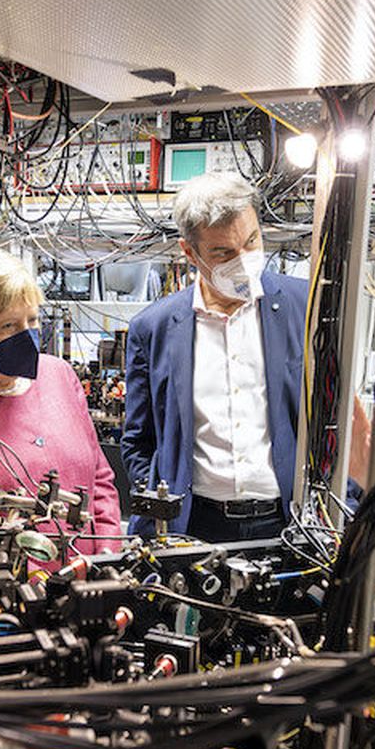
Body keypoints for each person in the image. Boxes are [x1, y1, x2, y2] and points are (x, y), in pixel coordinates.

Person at [121, 173, 307, 541]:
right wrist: (159, 504)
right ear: (189, 253)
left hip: (285, 522)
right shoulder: (152, 328)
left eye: (252, 241)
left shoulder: (305, 306)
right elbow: (137, 440)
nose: (244, 260)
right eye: (223, 253)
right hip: (193, 525)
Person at [0, 250, 122, 554]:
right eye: (9, 326)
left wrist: (108, 557)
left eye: (32, 321)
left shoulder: (59, 375)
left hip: (89, 578)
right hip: (9, 591)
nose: (27, 336)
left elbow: (100, 479)